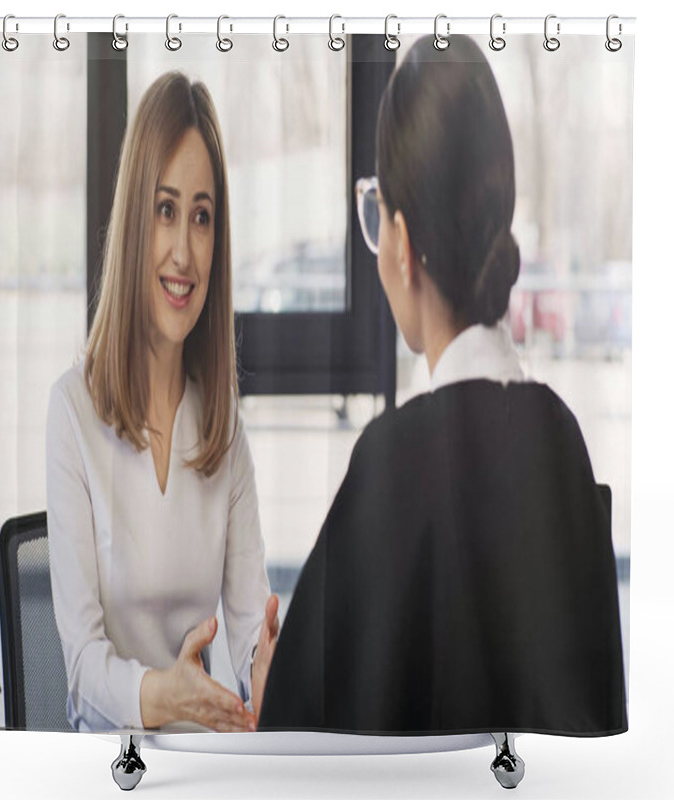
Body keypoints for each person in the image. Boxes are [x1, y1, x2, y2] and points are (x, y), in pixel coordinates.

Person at [257, 37, 627, 735]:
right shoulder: (563, 440)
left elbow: (306, 737)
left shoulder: (392, 459)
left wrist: (276, 690)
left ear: (399, 242)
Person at [46, 72, 278, 733]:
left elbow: (248, 628)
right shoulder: (71, 413)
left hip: (205, 766)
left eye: (202, 217)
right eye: (166, 210)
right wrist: (160, 696)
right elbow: (83, 669)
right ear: (133, 222)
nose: (183, 251)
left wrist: (271, 665)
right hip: (112, 764)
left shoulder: (223, 429)